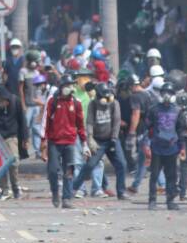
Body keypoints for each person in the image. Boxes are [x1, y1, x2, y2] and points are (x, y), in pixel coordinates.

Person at [72, 82, 127, 201]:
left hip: (112, 139)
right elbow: (90, 122)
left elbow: (116, 122)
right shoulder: (93, 104)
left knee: (121, 164)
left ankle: (121, 192)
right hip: (98, 141)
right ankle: (74, 188)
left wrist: (114, 138)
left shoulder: (114, 103)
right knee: (90, 165)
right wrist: (90, 138)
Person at [42, 73, 87, 209]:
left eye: (71, 85)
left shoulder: (76, 102)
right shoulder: (52, 101)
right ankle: (55, 192)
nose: (70, 88)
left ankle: (67, 199)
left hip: (70, 142)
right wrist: (43, 141)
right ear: (61, 87)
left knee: (69, 171)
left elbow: (80, 124)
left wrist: (84, 143)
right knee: (52, 171)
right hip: (54, 142)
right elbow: (45, 120)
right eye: (67, 85)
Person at [144, 79, 187, 210]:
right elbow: (146, 128)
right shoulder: (153, 109)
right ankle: (152, 200)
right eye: (164, 93)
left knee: (172, 176)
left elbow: (180, 130)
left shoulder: (178, 111)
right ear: (160, 94)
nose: (167, 95)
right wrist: (146, 145)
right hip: (156, 147)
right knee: (154, 175)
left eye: (169, 93)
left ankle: (170, 201)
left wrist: (183, 148)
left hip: (172, 148)